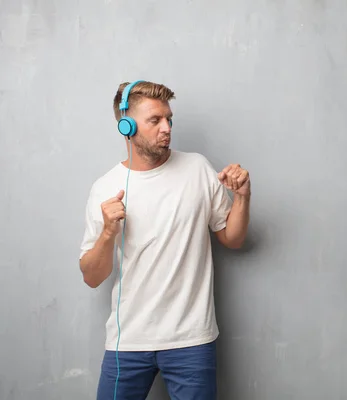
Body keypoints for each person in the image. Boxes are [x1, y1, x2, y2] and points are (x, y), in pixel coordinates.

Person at [78, 80, 251, 399]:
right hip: (128, 341)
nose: (167, 128)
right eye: (154, 120)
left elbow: (233, 239)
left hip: (191, 339)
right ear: (126, 126)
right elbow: (92, 276)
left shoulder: (197, 168)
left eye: (169, 119)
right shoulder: (105, 187)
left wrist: (242, 197)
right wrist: (107, 233)